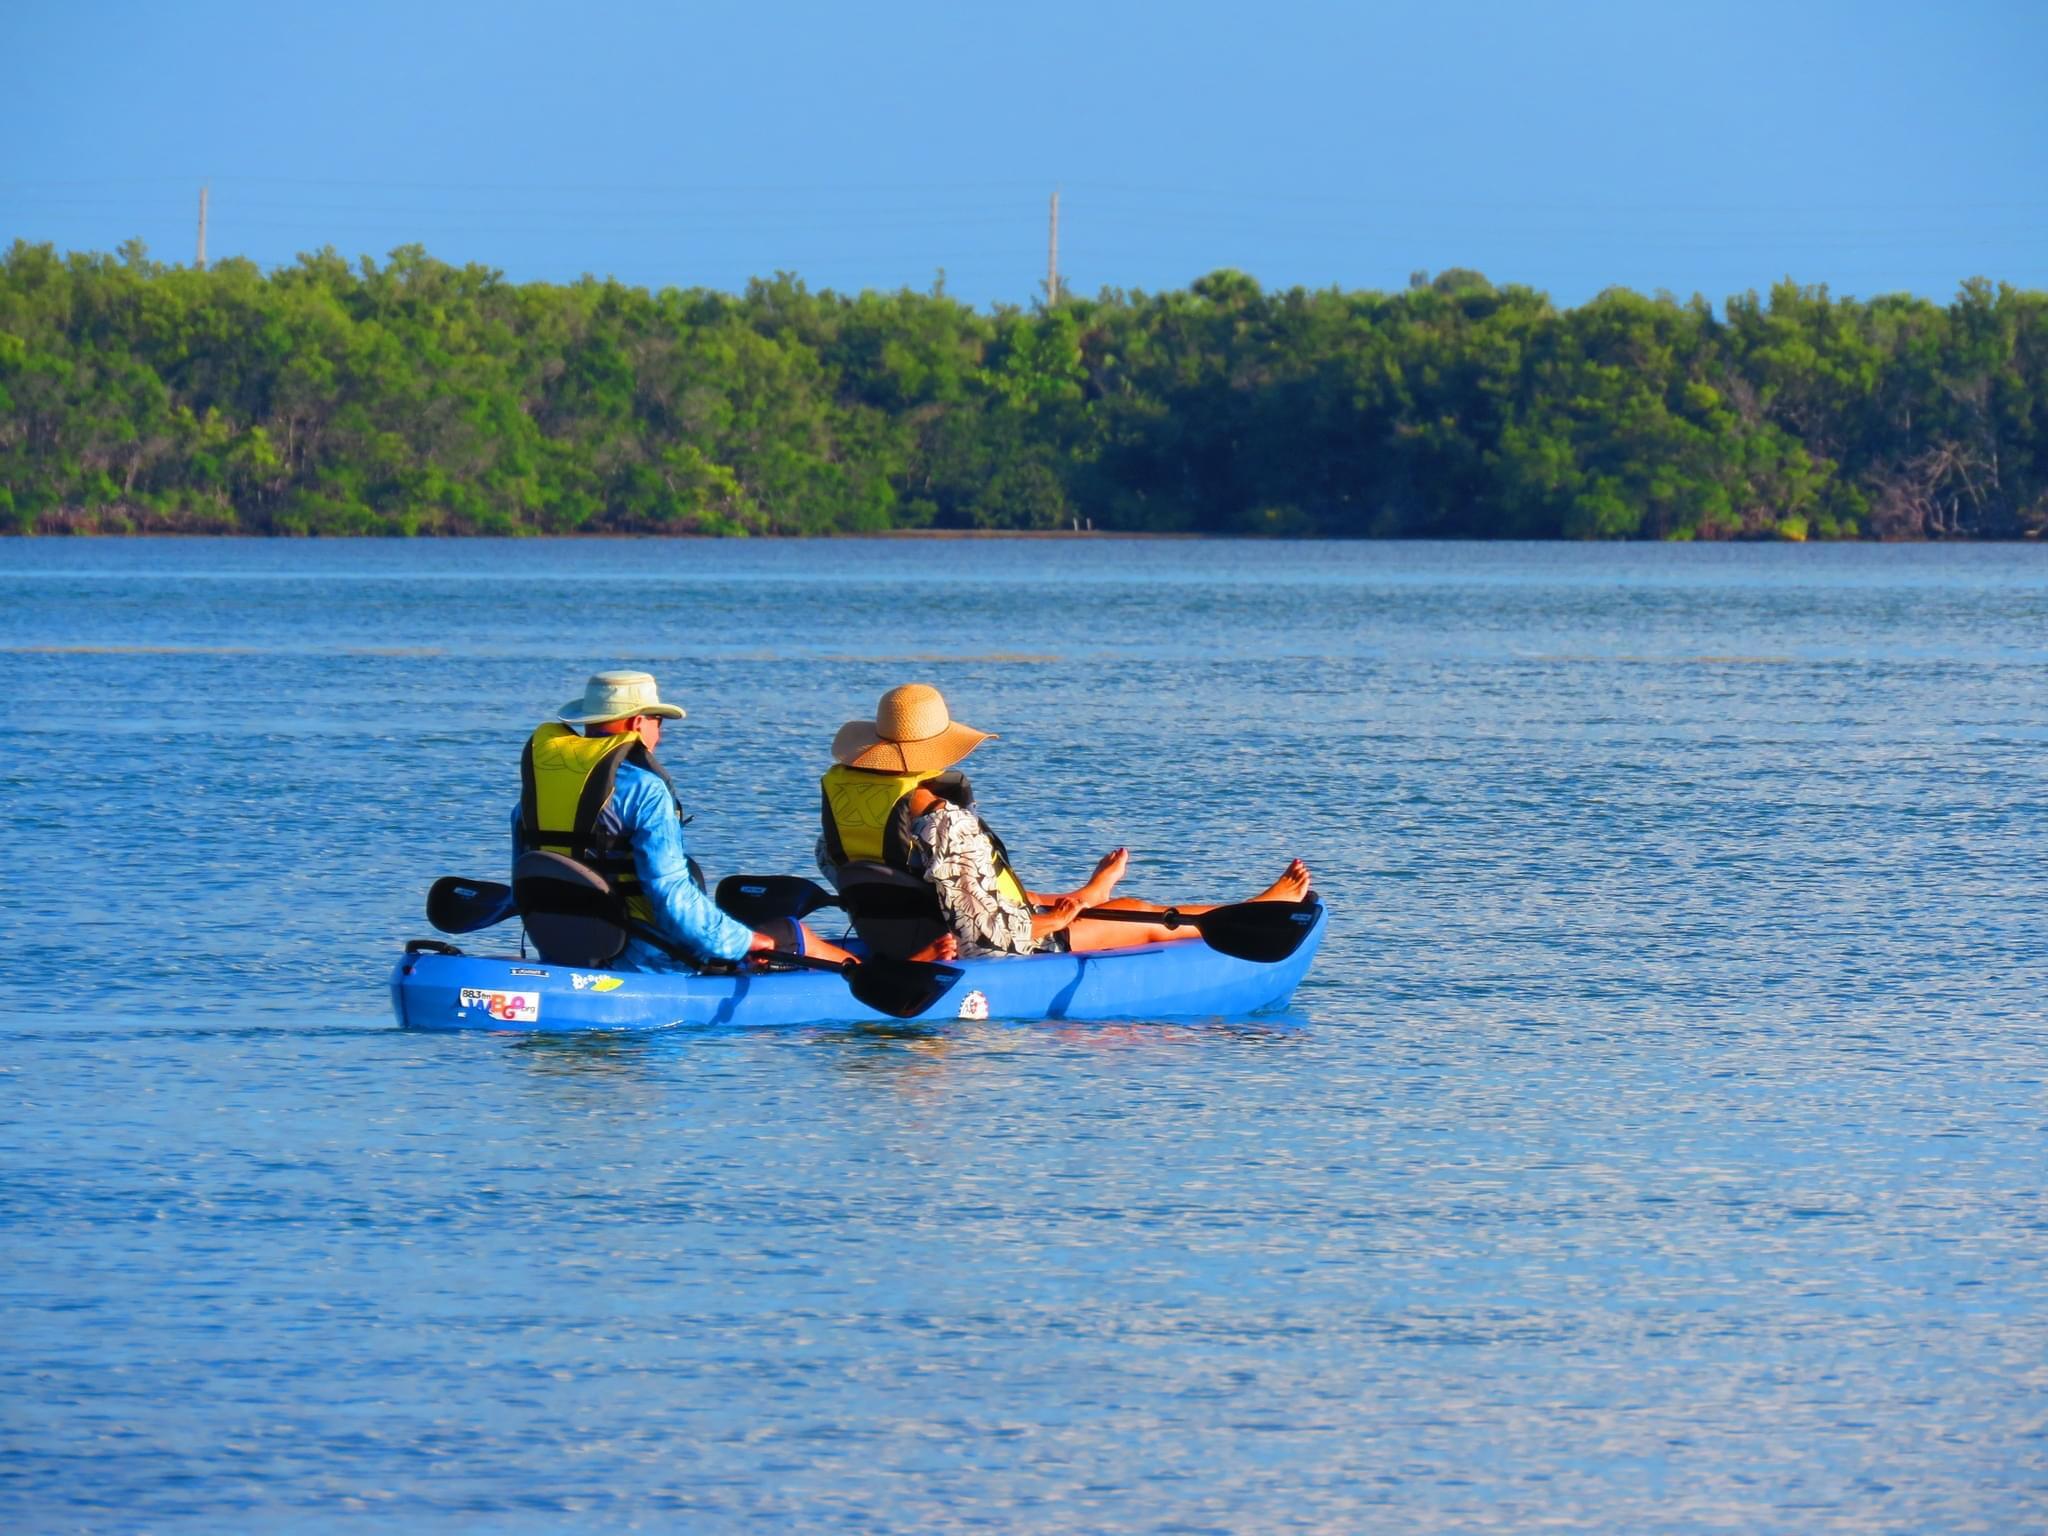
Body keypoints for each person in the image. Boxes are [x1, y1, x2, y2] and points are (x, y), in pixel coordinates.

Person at [820, 683, 1311, 957]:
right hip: (971, 949)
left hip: (896, 937)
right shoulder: (946, 820)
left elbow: (885, 881)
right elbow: (982, 930)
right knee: (1143, 915)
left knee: (1034, 896)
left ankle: (1088, 897)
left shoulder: (847, 811)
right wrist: (1050, 924)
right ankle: (1256, 907)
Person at [518, 670, 854, 972]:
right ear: (638, 723)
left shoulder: (535, 797)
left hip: (564, 953)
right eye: (658, 723)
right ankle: (873, 983)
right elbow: (671, 898)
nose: (659, 736)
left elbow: (528, 882)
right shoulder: (644, 790)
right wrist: (742, 942)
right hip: (650, 960)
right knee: (796, 936)